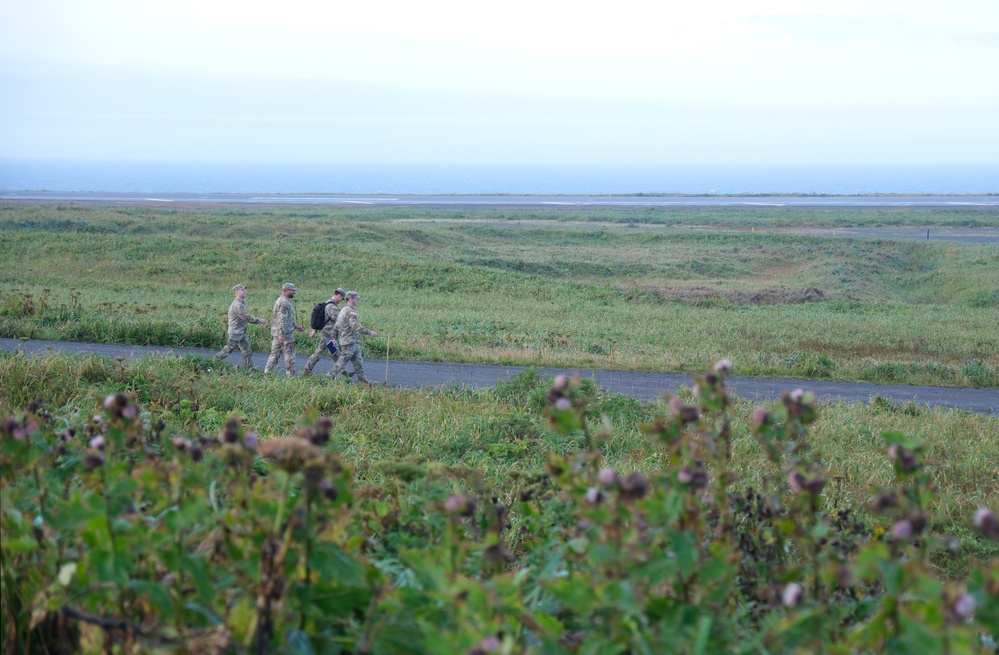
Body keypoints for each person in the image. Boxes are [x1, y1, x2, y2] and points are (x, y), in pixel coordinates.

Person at [212, 284, 267, 369]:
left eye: (245, 290)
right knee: (229, 348)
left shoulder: (241, 303)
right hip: (236, 331)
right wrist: (259, 321)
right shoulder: (238, 305)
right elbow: (245, 317)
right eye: (243, 290)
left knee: (246, 349)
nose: (245, 292)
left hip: (241, 331)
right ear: (237, 291)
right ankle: (214, 361)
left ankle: (249, 367)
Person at [329, 291, 379, 383]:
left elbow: (335, 326)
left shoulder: (343, 310)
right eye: (356, 299)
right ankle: (328, 377)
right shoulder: (350, 311)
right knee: (342, 361)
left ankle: (363, 381)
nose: (357, 301)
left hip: (351, 341)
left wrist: (334, 338)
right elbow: (355, 326)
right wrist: (370, 332)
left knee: (358, 362)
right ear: (351, 299)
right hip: (349, 341)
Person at [264, 282, 305, 376]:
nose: (294, 292)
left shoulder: (280, 300)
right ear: (285, 290)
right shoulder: (285, 302)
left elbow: (285, 319)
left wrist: (295, 326)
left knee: (274, 355)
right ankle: (290, 377)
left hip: (277, 333)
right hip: (285, 335)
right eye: (292, 290)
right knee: (290, 357)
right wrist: (282, 335)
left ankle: (267, 374)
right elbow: (282, 319)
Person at [302, 287, 346, 376]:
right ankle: (343, 373)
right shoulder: (332, 306)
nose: (341, 300)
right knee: (331, 352)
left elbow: (323, 319)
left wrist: (315, 330)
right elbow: (338, 320)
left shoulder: (327, 303)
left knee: (330, 353)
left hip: (326, 332)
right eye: (342, 298)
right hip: (328, 334)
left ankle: (343, 372)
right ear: (339, 295)